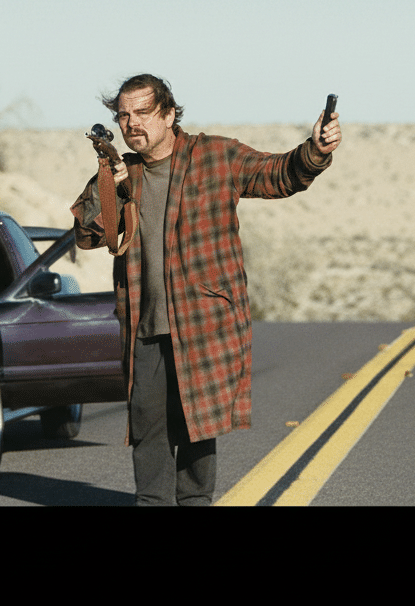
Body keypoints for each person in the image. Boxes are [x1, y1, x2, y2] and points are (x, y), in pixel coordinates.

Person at [71, 73, 341, 505]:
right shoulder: (124, 172)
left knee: (197, 428)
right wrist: (112, 184)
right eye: (123, 115)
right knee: (148, 430)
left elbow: (281, 174)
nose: (131, 123)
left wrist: (316, 152)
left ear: (170, 114)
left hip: (202, 323)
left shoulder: (215, 156)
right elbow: (86, 235)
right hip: (144, 325)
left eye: (142, 113)